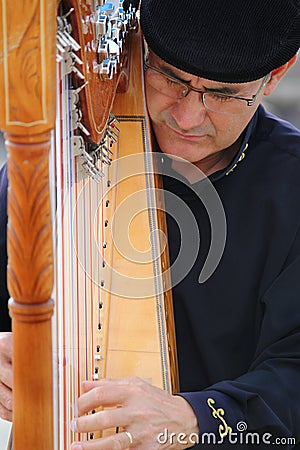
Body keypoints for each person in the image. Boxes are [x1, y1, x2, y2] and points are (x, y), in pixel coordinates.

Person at [1, 0, 300, 448]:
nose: (187, 117)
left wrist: (196, 418)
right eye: (171, 78)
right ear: (137, 47)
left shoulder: (291, 187)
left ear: (277, 74)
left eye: (221, 95)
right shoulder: (61, 157)